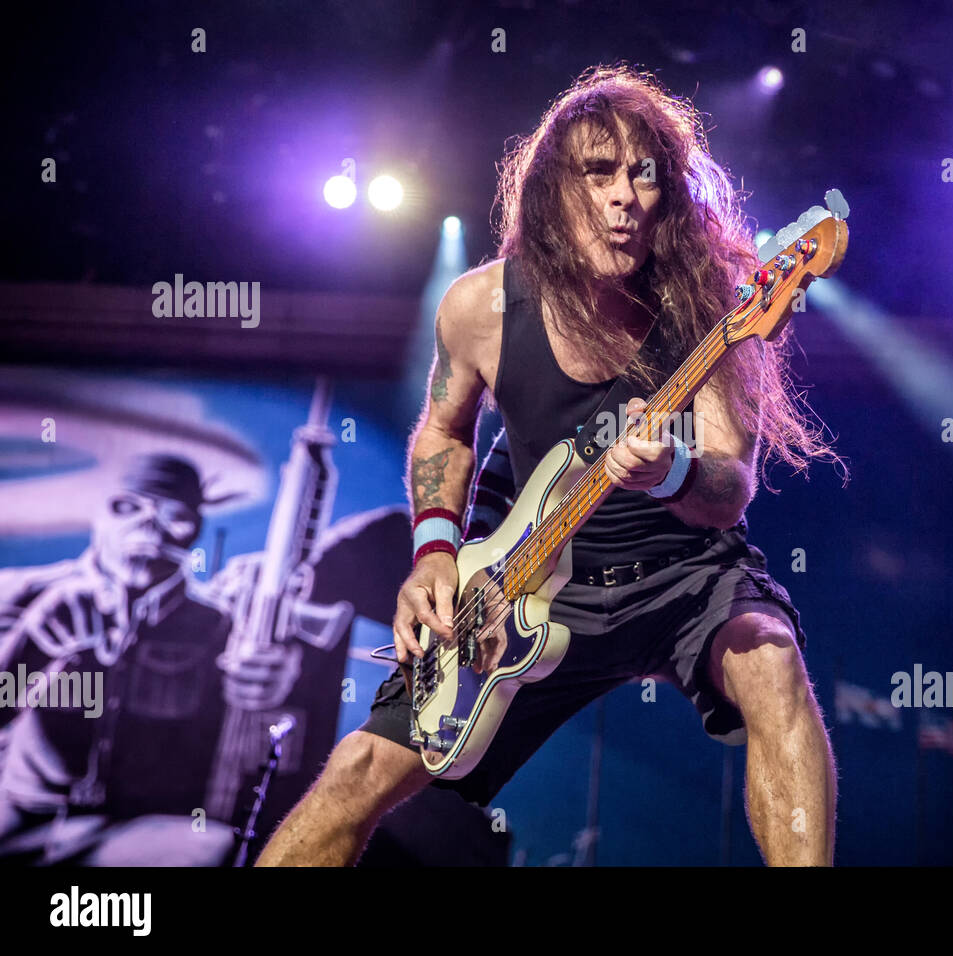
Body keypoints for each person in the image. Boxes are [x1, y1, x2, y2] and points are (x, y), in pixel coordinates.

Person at [256, 63, 845, 867]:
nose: (623, 198)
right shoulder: (480, 306)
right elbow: (444, 431)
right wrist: (434, 551)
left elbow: (729, 490)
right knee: (357, 771)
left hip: (678, 572)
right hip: (522, 581)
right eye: (597, 172)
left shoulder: (717, 311)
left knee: (769, 655)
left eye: (645, 175)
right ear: (549, 192)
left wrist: (669, 474)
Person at [0, 453, 298, 864]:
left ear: (195, 531)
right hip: (17, 821)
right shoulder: (22, 595)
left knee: (208, 850)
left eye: (174, 517)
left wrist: (273, 686)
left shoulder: (217, 626)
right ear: (99, 513)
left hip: (129, 835)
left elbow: (254, 721)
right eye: (127, 508)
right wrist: (35, 644)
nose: (146, 528)